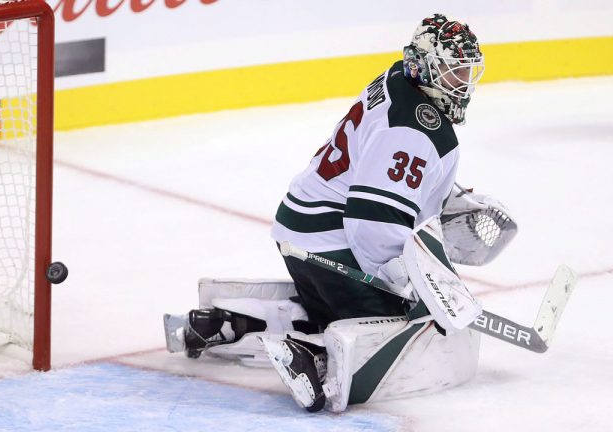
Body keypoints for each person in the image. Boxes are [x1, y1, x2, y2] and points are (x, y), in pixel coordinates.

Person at [165, 13, 512, 413]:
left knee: (330, 310)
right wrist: (411, 283)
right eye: (453, 73)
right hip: (335, 244)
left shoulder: (399, 80)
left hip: (302, 232)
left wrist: (444, 192)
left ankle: (224, 322)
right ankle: (313, 360)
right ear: (424, 66)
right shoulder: (420, 127)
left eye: (467, 73)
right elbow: (373, 226)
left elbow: (378, 162)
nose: (463, 85)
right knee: (408, 329)